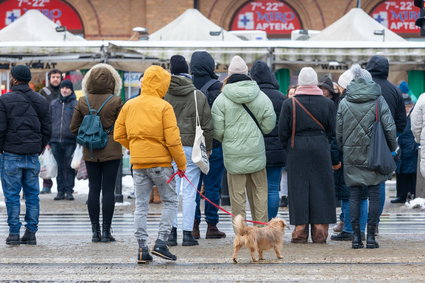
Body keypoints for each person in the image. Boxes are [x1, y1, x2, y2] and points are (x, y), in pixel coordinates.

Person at [114, 65, 186, 263]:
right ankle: (161, 243)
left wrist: (136, 148)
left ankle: (142, 249)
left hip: (138, 164)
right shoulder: (164, 107)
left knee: (141, 205)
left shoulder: (130, 105)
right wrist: (181, 164)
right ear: (163, 84)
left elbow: (118, 134)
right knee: (170, 201)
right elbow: (173, 140)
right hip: (161, 164)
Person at [336, 65, 397, 249]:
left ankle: (355, 237)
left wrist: (344, 149)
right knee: (374, 195)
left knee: (354, 195)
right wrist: (391, 148)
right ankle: (371, 236)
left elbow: (338, 133)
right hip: (375, 154)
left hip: (352, 154)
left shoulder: (344, 102)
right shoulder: (379, 101)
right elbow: (390, 129)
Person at [212, 55, 276, 228]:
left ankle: (241, 235)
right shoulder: (261, 96)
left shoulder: (221, 100)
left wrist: (228, 140)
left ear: (229, 74)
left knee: (237, 198)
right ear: (247, 73)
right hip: (256, 152)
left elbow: (217, 131)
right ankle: (261, 231)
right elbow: (269, 124)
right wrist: (257, 132)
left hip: (233, 156)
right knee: (260, 194)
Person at [278, 67, 336, 244]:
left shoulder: (290, 104)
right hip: (320, 146)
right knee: (322, 188)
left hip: (297, 147)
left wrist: (289, 148)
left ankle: (300, 230)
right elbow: (332, 131)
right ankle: (320, 231)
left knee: (298, 188)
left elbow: (283, 132)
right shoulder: (328, 103)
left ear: (300, 83)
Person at [70, 63, 123, 243]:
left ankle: (95, 233)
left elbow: (73, 128)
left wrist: (88, 136)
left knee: (93, 190)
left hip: (91, 150)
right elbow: (123, 126)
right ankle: (107, 232)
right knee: (108, 191)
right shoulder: (116, 101)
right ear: (112, 81)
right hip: (112, 150)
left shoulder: (83, 101)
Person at [164, 55, 213, 246]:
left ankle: (171, 233)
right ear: (188, 72)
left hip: (170, 148)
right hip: (192, 148)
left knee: (172, 192)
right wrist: (207, 148)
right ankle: (187, 234)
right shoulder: (197, 95)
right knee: (191, 192)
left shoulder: (164, 94)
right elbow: (208, 125)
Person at [0, 65, 51, 245]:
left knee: (12, 195)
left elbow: (1, 129)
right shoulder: (41, 100)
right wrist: (38, 147)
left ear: (13, 78)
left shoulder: (4, 100)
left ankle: (14, 233)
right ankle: (31, 232)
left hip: (11, 154)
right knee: (32, 194)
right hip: (32, 154)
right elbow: (47, 129)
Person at [366, 55, 406, 233]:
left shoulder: (361, 86)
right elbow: (402, 122)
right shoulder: (395, 91)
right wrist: (392, 138)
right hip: (385, 144)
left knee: (358, 183)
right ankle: (374, 224)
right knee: (379, 182)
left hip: (361, 141)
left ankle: (355, 226)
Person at [191, 51, 226, 239]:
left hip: (192, 145)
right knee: (213, 186)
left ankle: (193, 225)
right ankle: (212, 226)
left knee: (194, 186)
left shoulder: (187, 87)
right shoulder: (218, 88)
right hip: (216, 144)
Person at [330, 70, 368, 242]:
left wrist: (335, 157)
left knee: (348, 192)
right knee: (364, 193)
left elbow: (337, 133)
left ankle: (348, 229)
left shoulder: (344, 103)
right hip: (367, 152)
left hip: (348, 152)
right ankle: (361, 229)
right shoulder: (373, 100)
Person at [251, 60, 286, 220]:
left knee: (258, 188)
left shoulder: (251, 97)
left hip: (255, 148)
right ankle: (270, 222)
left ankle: (259, 221)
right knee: (273, 188)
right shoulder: (281, 97)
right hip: (277, 149)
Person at [50, 80, 78, 201]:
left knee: (69, 166)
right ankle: (60, 191)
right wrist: (47, 141)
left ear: (71, 90)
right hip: (55, 140)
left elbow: (78, 123)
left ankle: (69, 190)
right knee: (59, 166)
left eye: (67, 88)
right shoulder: (53, 104)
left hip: (70, 140)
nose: (64, 90)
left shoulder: (75, 104)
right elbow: (48, 121)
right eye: (62, 88)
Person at [39, 69, 63, 194]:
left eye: (58, 77)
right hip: (47, 128)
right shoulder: (44, 91)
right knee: (47, 159)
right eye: (53, 77)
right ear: (49, 78)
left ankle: (62, 187)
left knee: (61, 160)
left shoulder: (65, 90)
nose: (55, 79)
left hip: (61, 130)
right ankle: (47, 185)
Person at [392, 95, 418, 203]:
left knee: (411, 173)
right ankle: (401, 195)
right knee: (401, 172)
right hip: (401, 148)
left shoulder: (414, 115)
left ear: (410, 105)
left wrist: (414, 146)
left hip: (411, 148)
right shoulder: (401, 115)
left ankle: (413, 195)